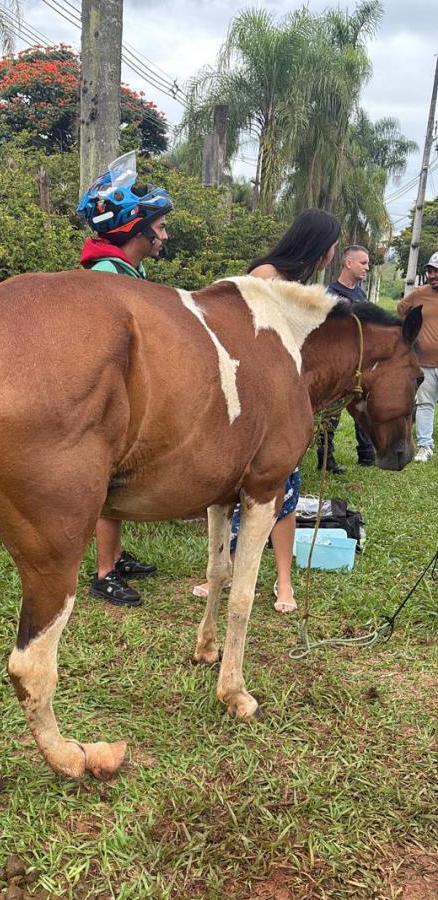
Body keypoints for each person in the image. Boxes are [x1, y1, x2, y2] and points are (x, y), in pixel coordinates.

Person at [194, 208, 341, 613]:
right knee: (234, 495)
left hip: (282, 406)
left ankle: (283, 582)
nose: (331, 253)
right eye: (331, 245)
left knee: (283, 498)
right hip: (249, 405)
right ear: (318, 245)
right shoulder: (265, 277)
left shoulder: (300, 285)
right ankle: (220, 572)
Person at [76, 153, 174, 605]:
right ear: (135, 228)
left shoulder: (126, 270)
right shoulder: (106, 275)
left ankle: (114, 558)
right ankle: (103, 573)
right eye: (159, 227)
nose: (164, 235)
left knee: (119, 475)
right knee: (107, 479)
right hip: (106, 393)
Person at [316, 245, 376, 471]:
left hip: (360, 364)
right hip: (336, 366)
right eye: (363, 263)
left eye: (367, 263)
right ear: (348, 263)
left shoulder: (361, 296)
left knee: (363, 408)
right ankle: (325, 460)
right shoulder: (329, 295)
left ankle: (367, 455)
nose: (367, 268)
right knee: (331, 414)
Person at [398, 252, 438, 462]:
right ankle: (425, 445)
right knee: (425, 404)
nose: (432, 275)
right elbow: (401, 310)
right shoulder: (419, 294)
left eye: (436, 271)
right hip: (426, 363)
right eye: (430, 271)